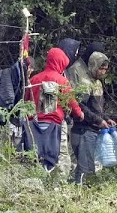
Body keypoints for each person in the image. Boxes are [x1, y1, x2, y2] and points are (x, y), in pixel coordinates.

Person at [24, 48, 84, 171]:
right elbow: (71, 102)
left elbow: (26, 100)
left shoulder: (34, 79)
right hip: (54, 124)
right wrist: (79, 114)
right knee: (58, 156)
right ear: (60, 63)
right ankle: (57, 182)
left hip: (33, 124)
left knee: (35, 154)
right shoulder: (62, 81)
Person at [70, 51, 116, 184]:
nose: (102, 72)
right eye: (100, 68)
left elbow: (97, 108)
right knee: (84, 168)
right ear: (93, 65)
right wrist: (99, 120)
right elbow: (81, 107)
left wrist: (106, 118)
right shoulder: (84, 83)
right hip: (83, 130)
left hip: (94, 130)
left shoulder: (97, 83)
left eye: (105, 69)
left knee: (91, 167)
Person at [67, 41, 105, 173]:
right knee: (81, 166)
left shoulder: (94, 76)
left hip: (91, 124)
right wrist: (98, 120)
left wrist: (103, 118)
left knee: (88, 165)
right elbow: (78, 102)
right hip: (80, 123)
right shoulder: (76, 70)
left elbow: (96, 103)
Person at [55, 38, 81, 178]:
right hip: (58, 118)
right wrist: (77, 112)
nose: (76, 55)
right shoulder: (59, 73)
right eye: (75, 52)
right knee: (62, 151)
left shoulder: (67, 71)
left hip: (66, 117)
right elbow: (68, 96)